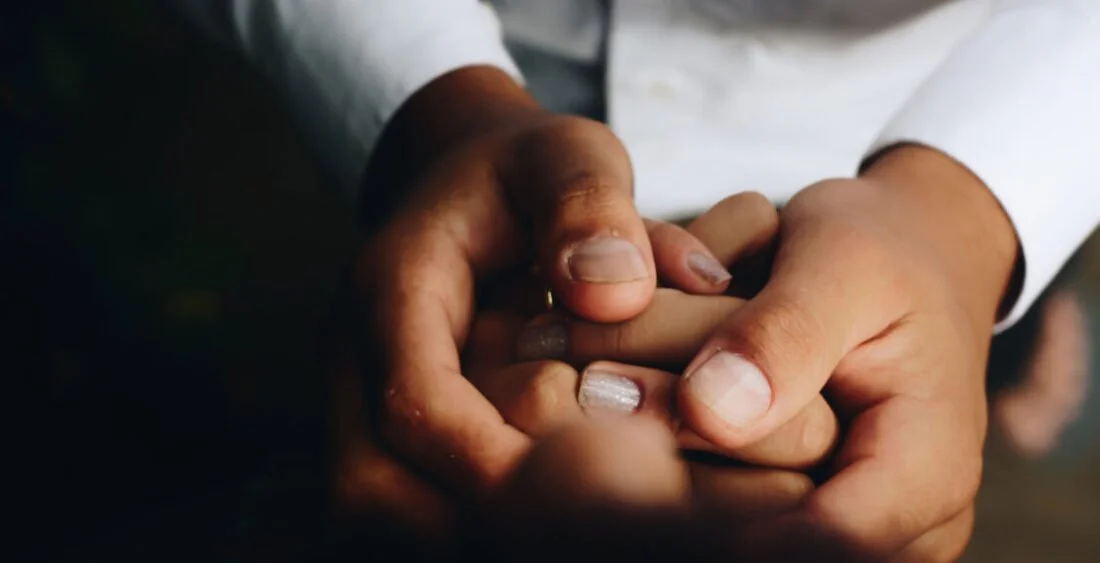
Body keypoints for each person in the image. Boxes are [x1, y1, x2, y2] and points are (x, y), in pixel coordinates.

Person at [178, 0, 1100, 560]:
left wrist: (972, 208)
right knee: (921, 361)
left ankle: (1006, 337)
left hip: (917, 102)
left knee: (946, 340)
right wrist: (965, 223)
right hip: (495, 105)